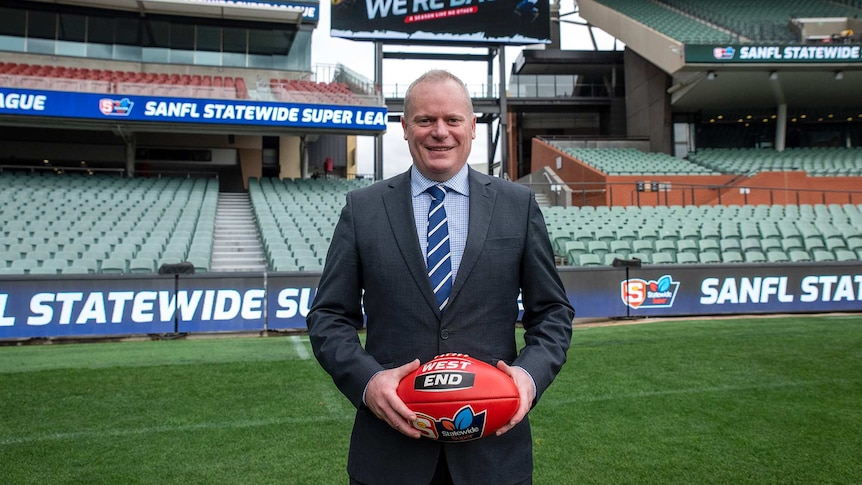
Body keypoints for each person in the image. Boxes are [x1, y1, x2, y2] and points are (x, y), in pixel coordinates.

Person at [306, 69, 574, 485]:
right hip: (390, 453)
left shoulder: (516, 205)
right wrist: (368, 382)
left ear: (471, 127)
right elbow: (327, 316)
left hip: (494, 455)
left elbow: (553, 312)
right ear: (405, 128)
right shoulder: (363, 209)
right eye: (425, 120)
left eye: (452, 120)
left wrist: (528, 376)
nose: (440, 133)